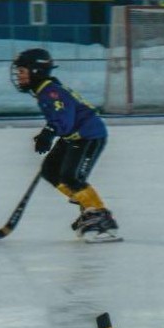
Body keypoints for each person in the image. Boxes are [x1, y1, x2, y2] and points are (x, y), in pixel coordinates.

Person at [11, 48, 119, 243]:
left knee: (71, 177)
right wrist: (49, 132)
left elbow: (64, 119)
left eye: (22, 71)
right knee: (50, 170)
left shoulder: (50, 92)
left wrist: (49, 132)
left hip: (89, 136)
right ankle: (89, 209)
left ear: (36, 71)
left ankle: (100, 215)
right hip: (73, 137)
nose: (18, 76)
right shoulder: (45, 89)